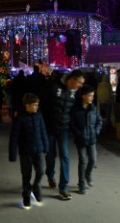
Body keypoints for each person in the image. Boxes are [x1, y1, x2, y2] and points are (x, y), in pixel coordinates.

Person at [39, 69, 85, 200]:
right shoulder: (53, 87)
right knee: (50, 154)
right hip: (49, 127)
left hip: (64, 128)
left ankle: (63, 188)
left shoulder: (75, 93)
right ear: (72, 79)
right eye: (79, 83)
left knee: (65, 156)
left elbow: (76, 109)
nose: (80, 86)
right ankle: (50, 174)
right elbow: (41, 103)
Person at [9, 93, 49, 209]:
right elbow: (14, 136)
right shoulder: (20, 118)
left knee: (41, 171)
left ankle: (36, 187)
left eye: (37, 105)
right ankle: (26, 195)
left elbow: (43, 131)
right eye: (34, 105)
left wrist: (46, 146)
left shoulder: (39, 116)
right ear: (27, 105)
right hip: (25, 151)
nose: (36, 107)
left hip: (39, 149)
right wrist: (12, 154)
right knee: (26, 175)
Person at [70, 85, 103, 194]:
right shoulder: (76, 109)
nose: (92, 98)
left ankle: (88, 175)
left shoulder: (93, 108)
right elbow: (72, 124)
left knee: (93, 160)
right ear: (83, 96)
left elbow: (99, 121)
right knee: (82, 161)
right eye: (90, 96)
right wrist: (78, 134)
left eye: (92, 96)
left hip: (92, 139)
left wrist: (96, 131)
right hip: (81, 140)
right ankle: (81, 184)